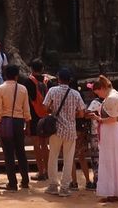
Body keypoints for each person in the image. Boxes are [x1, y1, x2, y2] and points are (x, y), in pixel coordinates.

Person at [43, 67, 86, 197]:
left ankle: (53, 185)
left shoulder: (52, 90)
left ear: (58, 79)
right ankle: (65, 188)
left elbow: (45, 108)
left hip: (55, 129)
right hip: (70, 130)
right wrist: (72, 115)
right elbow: (81, 113)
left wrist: (53, 111)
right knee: (68, 159)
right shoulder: (75, 94)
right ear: (70, 80)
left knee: (53, 157)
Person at [89, 75, 118, 203]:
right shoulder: (113, 96)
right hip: (111, 132)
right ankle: (112, 191)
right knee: (111, 161)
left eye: (98, 92)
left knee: (111, 161)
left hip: (111, 132)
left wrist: (98, 119)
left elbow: (113, 119)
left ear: (102, 88)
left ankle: (113, 192)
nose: (99, 95)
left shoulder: (112, 98)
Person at [0, 63, 31, 191]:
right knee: (21, 152)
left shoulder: (0, 89)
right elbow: (27, 109)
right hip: (19, 122)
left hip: (6, 122)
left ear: (5, 75)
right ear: (16, 76)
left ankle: (12, 183)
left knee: (8, 154)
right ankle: (25, 181)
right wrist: (28, 125)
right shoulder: (23, 89)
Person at [21, 60, 51, 179]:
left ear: (31, 69)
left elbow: (26, 102)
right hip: (46, 116)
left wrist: (26, 122)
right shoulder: (48, 81)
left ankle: (41, 171)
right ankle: (48, 171)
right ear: (42, 68)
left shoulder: (28, 82)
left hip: (33, 117)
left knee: (36, 144)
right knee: (45, 144)